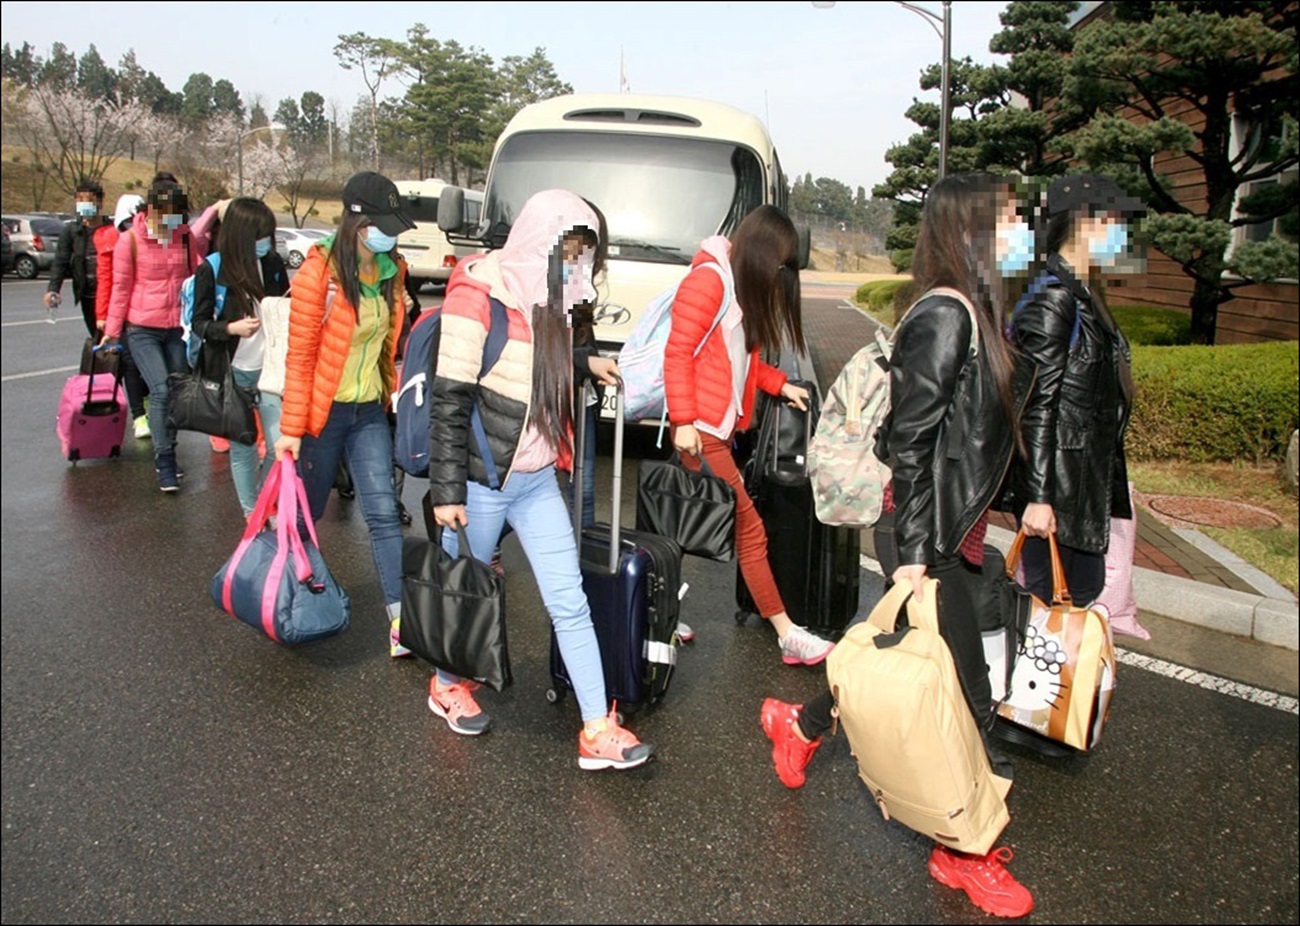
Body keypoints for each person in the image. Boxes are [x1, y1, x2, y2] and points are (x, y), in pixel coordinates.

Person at [760, 173, 1035, 918]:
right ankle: (965, 853)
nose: (1021, 232)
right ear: (971, 230)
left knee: (908, 668)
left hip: (950, 529)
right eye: (1008, 221)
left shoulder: (978, 313)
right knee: (965, 693)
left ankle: (802, 724)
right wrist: (913, 551)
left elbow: (976, 435)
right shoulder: (944, 317)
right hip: (927, 534)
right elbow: (908, 443)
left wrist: (1026, 500)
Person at [425, 188, 651, 772]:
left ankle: (597, 727)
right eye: (572, 259)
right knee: (464, 593)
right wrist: (448, 492)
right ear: (539, 246)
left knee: (568, 601)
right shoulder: (477, 296)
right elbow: (449, 400)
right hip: (480, 483)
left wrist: (584, 361)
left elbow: (531, 362)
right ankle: (447, 682)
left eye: (586, 262)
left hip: (535, 478)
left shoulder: (551, 300)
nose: (581, 276)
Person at [661, 204, 826, 663]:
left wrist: (779, 385)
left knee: (689, 525)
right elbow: (677, 353)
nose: (779, 276)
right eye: (779, 264)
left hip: (713, 429)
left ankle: (659, 613)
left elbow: (740, 361)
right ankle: (787, 632)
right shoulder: (710, 281)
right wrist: (684, 421)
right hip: (702, 432)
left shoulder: (734, 286)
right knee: (749, 528)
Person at [273, 171, 414, 658]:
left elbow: (387, 342)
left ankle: (401, 623)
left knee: (383, 514)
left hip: (369, 409)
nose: (390, 235)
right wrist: (290, 430)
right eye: (383, 224)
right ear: (356, 220)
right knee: (304, 516)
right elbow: (301, 356)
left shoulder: (393, 270)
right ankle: (293, 600)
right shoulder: (318, 275)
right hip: (322, 413)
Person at [1003, 174, 1144, 606]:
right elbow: (1035, 405)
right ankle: (1043, 676)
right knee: (1057, 601)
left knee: (1076, 595)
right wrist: (1038, 498)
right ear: (1086, 224)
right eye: (1116, 223)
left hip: (1079, 482)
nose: (1122, 235)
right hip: (1059, 489)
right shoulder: (1053, 298)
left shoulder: (1084, 294)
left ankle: (1056, 674)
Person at [190, 197, 290, 518]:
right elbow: (199, 323)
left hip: (270, 370)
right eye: (260, 236)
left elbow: (287, 305)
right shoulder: (213, 268)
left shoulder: (273, 264)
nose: (265, 243)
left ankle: (266, 501)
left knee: (279, 444)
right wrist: (231, 328)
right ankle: (253, 513)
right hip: (233, 372)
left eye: (268, 236)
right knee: (243, 447)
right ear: (240, 234)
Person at [102, 175, 202, 492]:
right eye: (169, 214)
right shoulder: (130, 241)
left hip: (176, 329)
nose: (174, 221)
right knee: (159, 390)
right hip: (142, 328)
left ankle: (169, 446)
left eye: (178, 215)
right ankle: (165, 461)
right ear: (153, 211)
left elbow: (198, 274)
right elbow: (120, 290)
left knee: (176, 391)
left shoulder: (184, 237)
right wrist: (112, 332)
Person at [93, 194, 152, 439]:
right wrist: (103, 315)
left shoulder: (152, 239)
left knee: (149, 365)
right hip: (125, 314)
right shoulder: (113, 243)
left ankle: (148, 406)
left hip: (148, 313)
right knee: (129, 364)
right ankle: (139, 415)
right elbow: (108, 280)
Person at [45, 179, 113, 339]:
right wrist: (53, 289)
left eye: (89, 200)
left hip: (110, 295)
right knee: (97, 337)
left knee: (111, 337)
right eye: (80, 200)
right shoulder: (72, 231)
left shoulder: (112, 229)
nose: (84, 204)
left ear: (100, 202)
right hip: (87, 295)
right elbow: (60, 261)